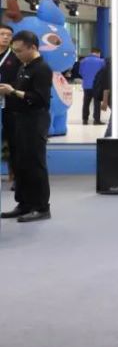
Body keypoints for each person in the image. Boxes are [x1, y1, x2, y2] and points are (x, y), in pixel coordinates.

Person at [0, 31, 53, 223]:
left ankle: (41, 207)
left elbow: (40, 99)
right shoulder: (24, 66)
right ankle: (24, 203)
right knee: (19, 162)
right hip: (18, 120)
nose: (17, 54)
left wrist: (13, 91)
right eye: (14, 51)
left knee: (35, 164)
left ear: (33, 47)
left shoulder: (42, 69)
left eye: (20, 51)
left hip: (34, 121)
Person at [0, 24, 21, 192]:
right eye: (2, 34)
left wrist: (9, 89)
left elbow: (21, 81)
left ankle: (15, 177)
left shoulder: (16, 57)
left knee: (12, 141)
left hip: (9, 104)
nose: (6, 37)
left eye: (9, 35)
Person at [79, 47, 105, 125]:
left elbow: (81, 72)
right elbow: (103, 73)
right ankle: (96, 120)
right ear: (98, 53)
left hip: (86, 85)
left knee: (86, 103)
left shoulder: (83, 61)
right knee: (97, 103)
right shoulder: (101, 61)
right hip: (97, 85)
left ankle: (85, 120)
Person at [93, 57, 112, 138]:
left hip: (110, 97)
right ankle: (107, 136)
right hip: (111, 97)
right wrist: (105, 101)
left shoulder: (103, 70)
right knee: (113, 119)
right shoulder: (109, 71)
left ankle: (108, 136)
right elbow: (106, 87)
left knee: (114, 118)